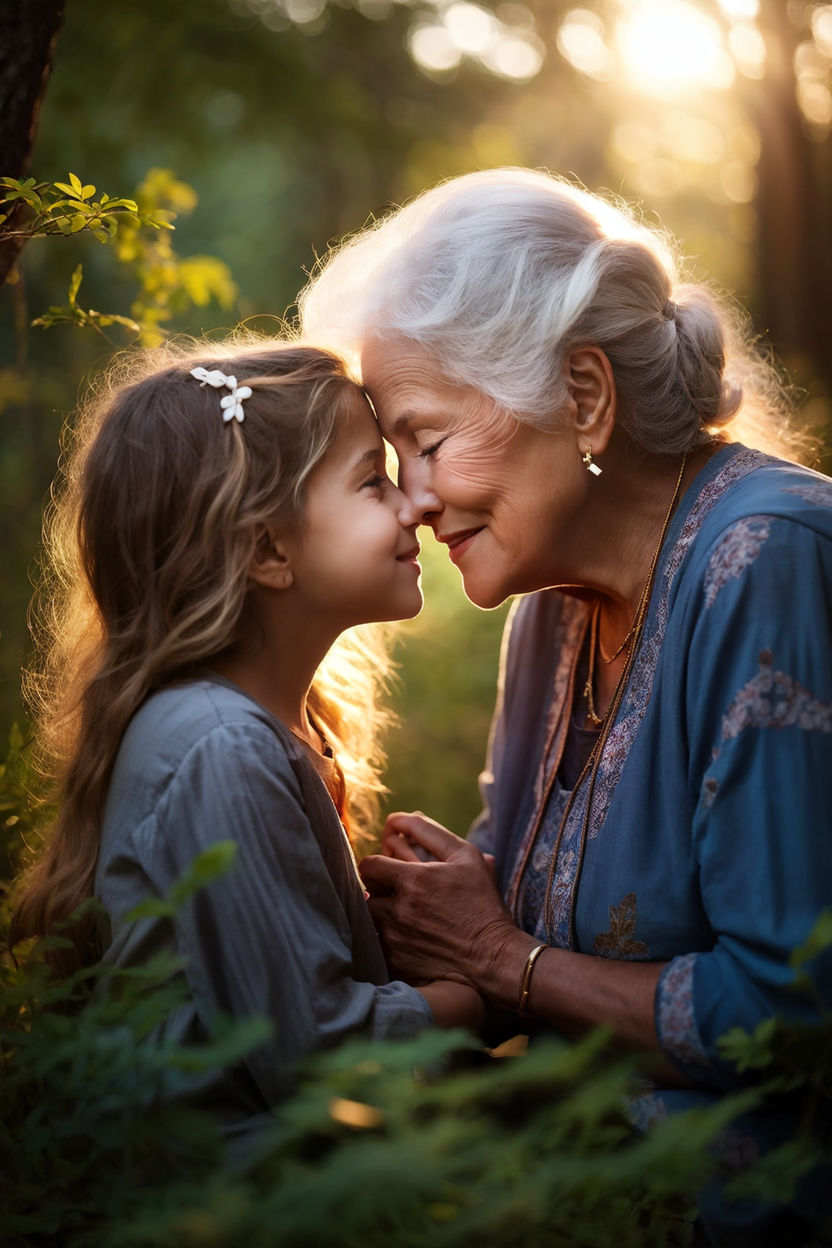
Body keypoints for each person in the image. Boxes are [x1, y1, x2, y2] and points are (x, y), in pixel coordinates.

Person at [299, 168, 832, 1240]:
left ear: (582, 395)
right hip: (580, 1169)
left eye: (429, 440)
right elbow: (491, 934)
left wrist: (502, 957)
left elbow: (789, 1018)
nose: (410, 496)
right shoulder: (546, 603)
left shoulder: (766, 558)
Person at [10, 338, 482, 1142]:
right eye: (373, 481)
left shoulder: (263, 726)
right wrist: (485, 990)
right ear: (267, 548)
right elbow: (315, 1060)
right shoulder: (221, 745)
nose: (416, 505)